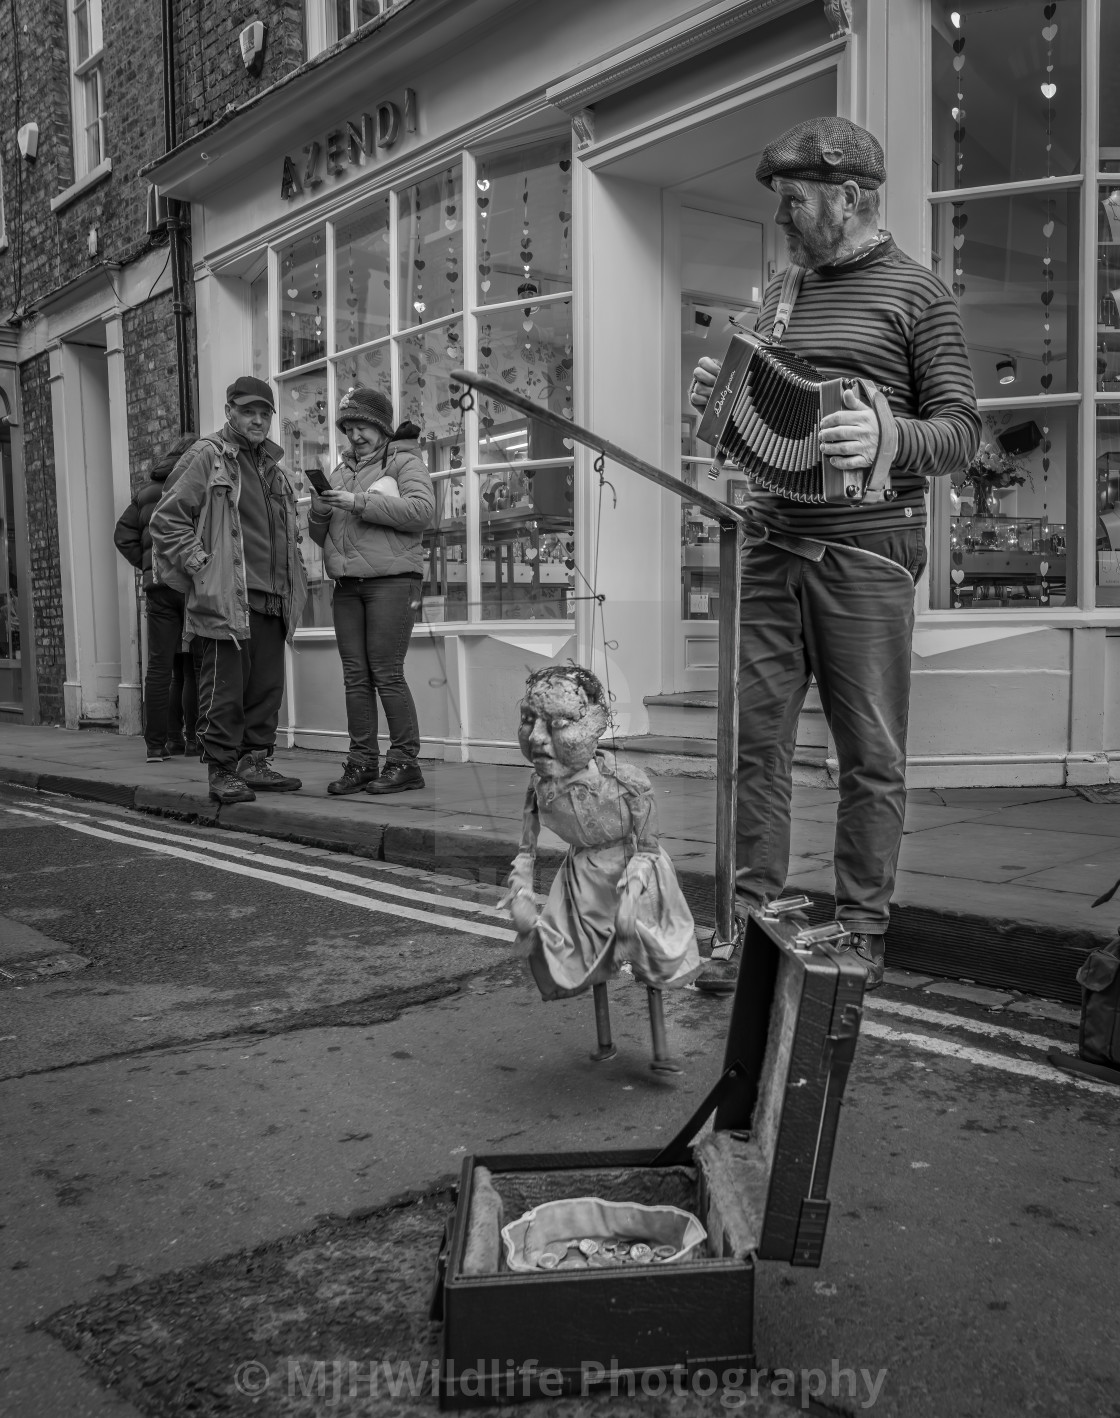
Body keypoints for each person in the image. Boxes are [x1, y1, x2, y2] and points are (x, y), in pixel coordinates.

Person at [689, 117, 980, 993]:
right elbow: (752, 423)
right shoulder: (780, 293)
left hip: (869, 550)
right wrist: (721, 393)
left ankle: (861, 929)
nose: (783, 217)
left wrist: (887, 432)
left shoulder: (918, 297)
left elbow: (962, 433)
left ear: (851, 197)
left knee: (870, 752)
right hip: (773, 541)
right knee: (755, 746)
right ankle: (750, 922)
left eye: (795, 201)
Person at [503, 666, 699, 1067]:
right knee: (588, 959)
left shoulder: (628, 783)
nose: (538, 738)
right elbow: (527, 849)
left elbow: (647, 846)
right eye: (529, 721)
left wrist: (632, 893)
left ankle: (661, 1047)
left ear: (594, 726)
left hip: (636, 873)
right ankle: (605, 1039)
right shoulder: (537, 787)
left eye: (557, 724)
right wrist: (519, 890)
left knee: (650, 958)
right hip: (582, 881)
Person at [149, 376, 308, 805]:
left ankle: (252, 762)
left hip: (275, 596)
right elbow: (166, 521)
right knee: (224, 688)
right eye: (248, 411)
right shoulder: (207, 456)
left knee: (265, 689)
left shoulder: (273, 467)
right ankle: (221, 769)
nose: (257, 420)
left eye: (265, 413)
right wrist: (201, 563)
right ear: (229, 412)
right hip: (228, 594)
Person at [307, 386, 434, 796]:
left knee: (386, 673)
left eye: (362, 426)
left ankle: (405, 762)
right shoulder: (340, 472)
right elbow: (318, 533)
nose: (355, 434)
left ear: (380, 427)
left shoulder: (405, 461)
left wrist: (358, 502)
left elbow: (422, 512)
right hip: (347, 585)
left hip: (393, 582)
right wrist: (320, 510)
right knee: (355, 677)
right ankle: (362, 762)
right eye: (349, 427)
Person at [113, 432, 199, 762]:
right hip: (191, 583)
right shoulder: (196, 481)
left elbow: (123, 536)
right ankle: (193, 741)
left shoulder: (147, 490)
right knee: (193, 668)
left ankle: (157, 745)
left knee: (161, 668)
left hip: (159, 588)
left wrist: (147, 565)